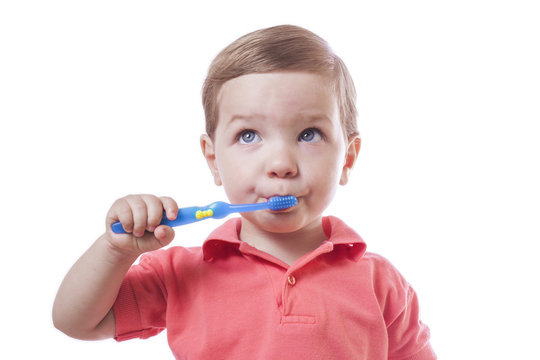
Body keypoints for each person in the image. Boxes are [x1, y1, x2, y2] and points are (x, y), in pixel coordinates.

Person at [53, 25, 437, 359]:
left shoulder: (381, 284)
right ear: (213, 160)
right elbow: (76, 321)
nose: (281, 163)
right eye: (248, 135)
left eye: (309, 134)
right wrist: (114, 251)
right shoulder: (181, 272)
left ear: (348, 159)